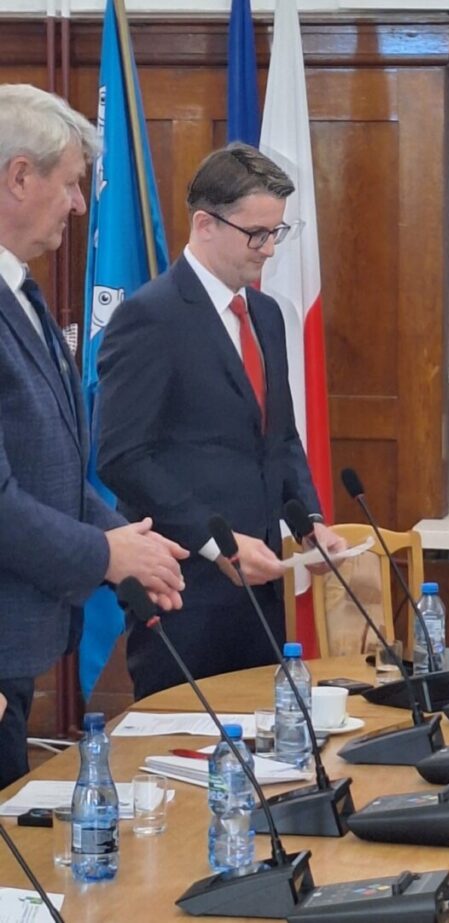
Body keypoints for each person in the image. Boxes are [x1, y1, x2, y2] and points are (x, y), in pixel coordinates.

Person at [96, 143, 344, 700]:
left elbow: (279, 438)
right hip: (186, 590)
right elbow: (121, 457)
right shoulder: (149, 317)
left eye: (277, 232)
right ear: (205, 224)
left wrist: (310, 523)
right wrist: (217, 543)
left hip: (261, 590)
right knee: (184, 741)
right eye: (257, 234)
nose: (270, 249)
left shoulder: (267, 314)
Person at [0, 84, 186, 788]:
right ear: (20, 176)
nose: (80, 205)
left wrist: (128, 544)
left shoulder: (21, 290)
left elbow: (50, 467)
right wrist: (106, 553)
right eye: (72, 183)